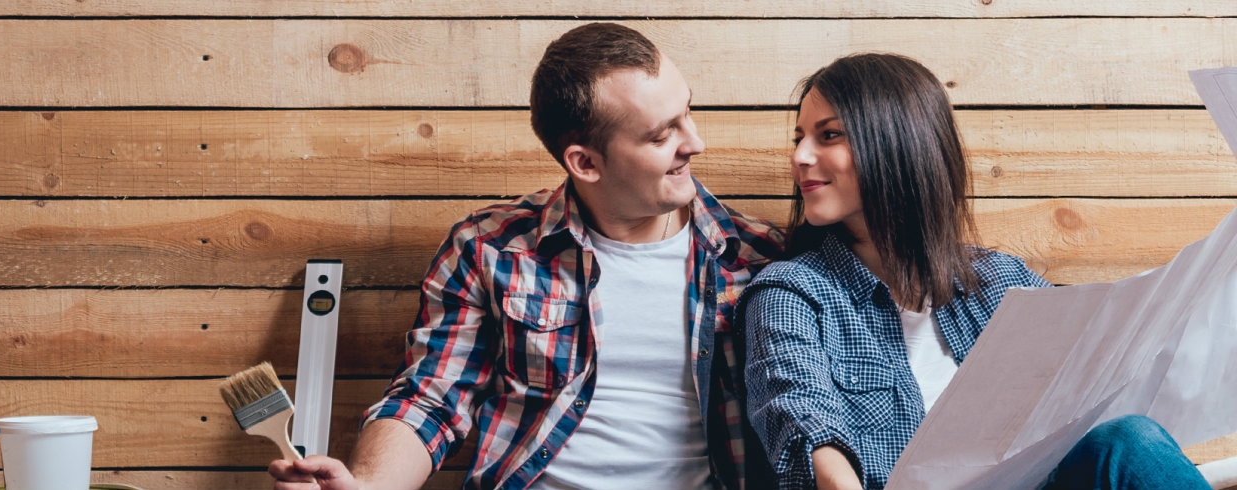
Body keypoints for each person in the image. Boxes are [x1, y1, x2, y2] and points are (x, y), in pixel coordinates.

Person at [268, 22, 783, 490]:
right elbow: (430, 398)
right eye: (661, 133)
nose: (696, 142)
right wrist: (369, 486)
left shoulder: (756, 257)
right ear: (585, 162)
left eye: (687, 111)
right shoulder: (489, 248)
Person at [739, 53, 1211, 490]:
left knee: (1129, 439)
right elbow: (803, 422)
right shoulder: (791, 293)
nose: (800, 157)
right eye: (800, 137)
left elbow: (1103, 375)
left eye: (829, 134)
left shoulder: (1002, 281)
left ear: (897, 144)